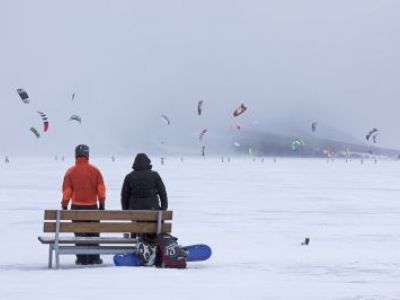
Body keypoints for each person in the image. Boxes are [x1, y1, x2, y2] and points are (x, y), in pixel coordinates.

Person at [61, 144, 106, 265]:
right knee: (94, 233)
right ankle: (94, 258)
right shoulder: (95, 171)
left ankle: (82, 258)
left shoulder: (70, 171)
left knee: (80, 234)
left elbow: (67, 191)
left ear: (76, 155)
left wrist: (65, 204)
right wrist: (101, 203)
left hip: (77, 207)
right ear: (87, 155)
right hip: (92, 207)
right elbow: (101, 188)